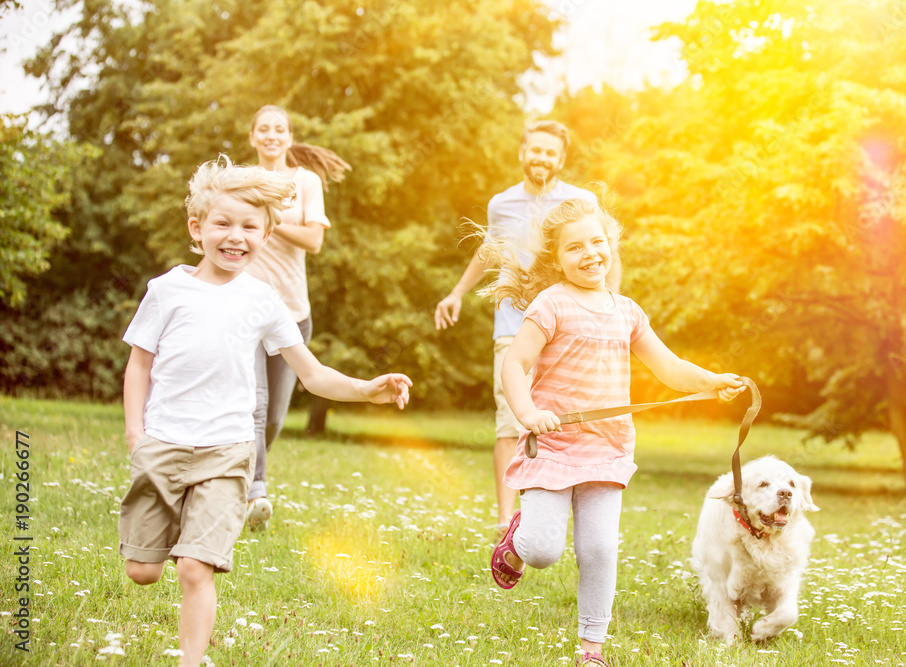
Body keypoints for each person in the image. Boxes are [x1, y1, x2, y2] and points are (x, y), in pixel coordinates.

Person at [119, 157, 411, 667]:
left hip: (228, 450)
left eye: (250, 227)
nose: (236, 236)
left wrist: (368, 390)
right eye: (223, 224)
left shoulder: (263, 300)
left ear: (268, 233)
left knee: (194, 567)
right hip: (162, 443)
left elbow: (312, 373)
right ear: (197, 228)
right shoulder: (167, 290)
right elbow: (139, 363)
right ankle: (164, 535)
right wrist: (135, 434)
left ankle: (192, 660)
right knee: (142, 571)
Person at [482, 198, 744, 666]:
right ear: (557, 258)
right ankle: (518, 541)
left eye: (597, 242)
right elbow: (515, 364)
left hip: (607, 448)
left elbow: (669, 367)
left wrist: (712, 381)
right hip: (554, 444)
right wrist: (527, 412)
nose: (589, 253)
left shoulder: (627, 312)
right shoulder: (552, 303)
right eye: (575, 247)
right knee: (544, 550)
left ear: (612, 246)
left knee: (599, 548)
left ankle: (591, 649)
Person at [434, 120, 617, 540]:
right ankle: (505, 519)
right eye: (536, 150)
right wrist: (457, 292)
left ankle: (562, 511)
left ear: (561, 159)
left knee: (568, 417)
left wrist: (608, 306)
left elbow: (606, 253)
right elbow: (489, 250)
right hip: (514, 327)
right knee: (510, 418)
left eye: (551, 153)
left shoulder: (581, 202)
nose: (542, 158)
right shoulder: (501, 204)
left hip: (571, 329)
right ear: (522, 152)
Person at [243, 104, 351, 530]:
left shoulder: (306, 181)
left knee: (273, 419)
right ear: (252, 137)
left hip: (292, 314)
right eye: (263, 129)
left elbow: (313, 240)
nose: (271, 135)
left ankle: (239, 473)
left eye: (279, 129)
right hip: (247, 309)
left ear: (289, 138)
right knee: (254, 407)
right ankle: (256, 491)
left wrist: (271, 219)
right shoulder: (242, 180)